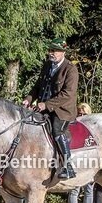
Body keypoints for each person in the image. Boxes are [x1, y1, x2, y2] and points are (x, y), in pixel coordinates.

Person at [23, 39, 79, 179]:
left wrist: (46, 104)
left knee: (57, 131)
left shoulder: (70, 69)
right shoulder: (47, 65)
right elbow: (37, 86)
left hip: (62, 111)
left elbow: (67, 94)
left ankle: (67, 166)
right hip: (44, 108)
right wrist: (28, 99)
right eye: (50, 50)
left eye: (54, 50)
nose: (51, 53)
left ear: (63, 52)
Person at [68, 103, 96, 203]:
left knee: (89, 189)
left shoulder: (93, 130)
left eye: (85, 114)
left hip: (89, 162)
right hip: (77, 162)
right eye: (80, 114)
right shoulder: (72, 128)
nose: (82, 116)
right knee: (75, 189)